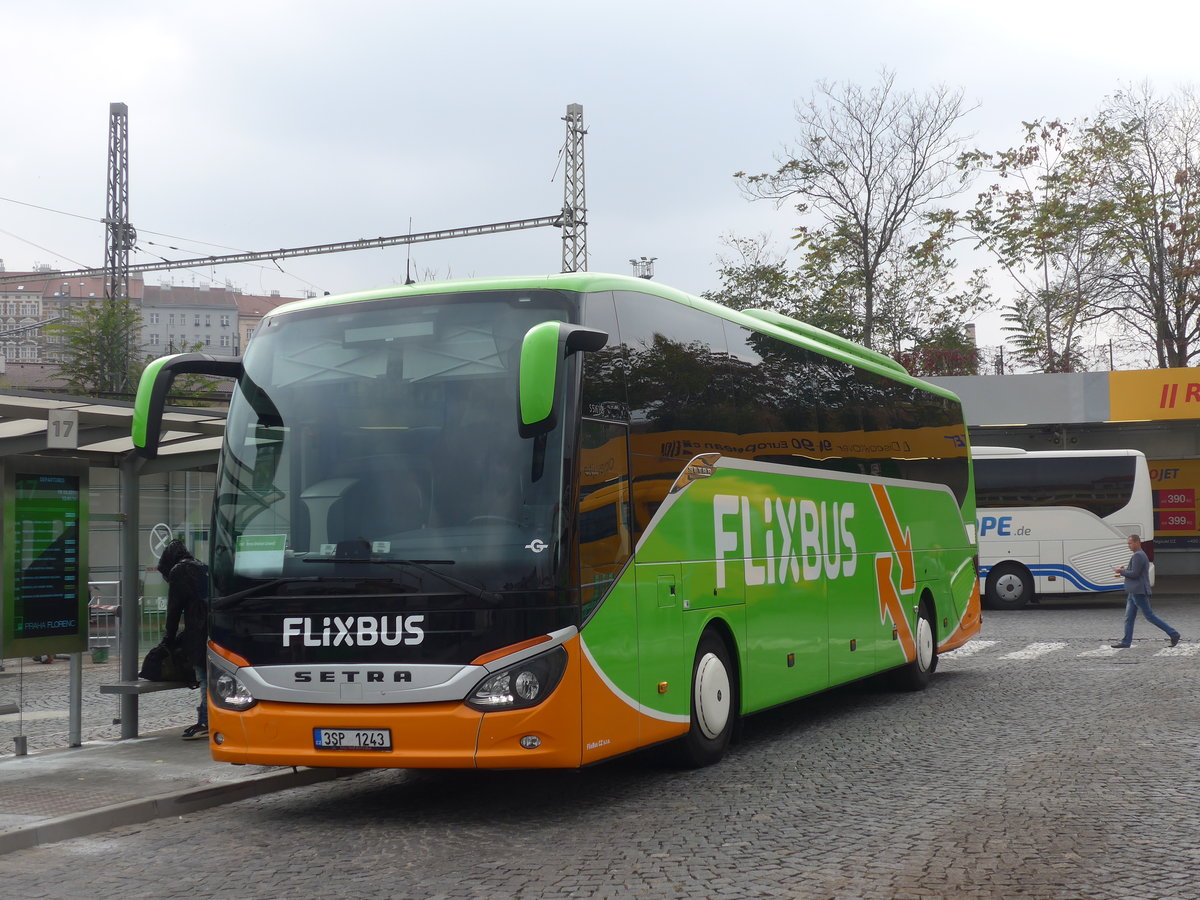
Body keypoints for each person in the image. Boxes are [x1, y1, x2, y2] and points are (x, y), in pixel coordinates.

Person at [158, 539, 211, 740]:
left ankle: (206, 721)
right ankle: (210, 719)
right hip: (214, 629)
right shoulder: (202, 566)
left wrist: (168, 638)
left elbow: (174, 609)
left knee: (204, 677)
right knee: (211, 677)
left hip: (197, 632)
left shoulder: (178, 572)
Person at [1110, 534, 1180, 649]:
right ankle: (1126, 642)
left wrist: (1121, 571)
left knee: (1149, 616)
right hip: (1134, 591)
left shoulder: (1138, 555)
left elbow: (1135, 574)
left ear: (1137, 543)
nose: (1129, 546)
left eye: (1130, 543)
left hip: (1138, 591)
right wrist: (1124, 570)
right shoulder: (1139, 555)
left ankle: (1174, 633)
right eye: (1128, 543)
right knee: (1129, 617)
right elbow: (1135, 571)